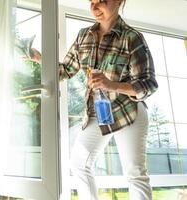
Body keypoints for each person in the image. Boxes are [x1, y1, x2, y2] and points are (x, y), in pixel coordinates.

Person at [59, 0, 158, 199]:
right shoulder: (83, 36)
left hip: (128, 111)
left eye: (101, 1)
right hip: (100, 112)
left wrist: (111, 84)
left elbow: (148, 85)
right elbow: (65, 70)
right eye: (91, 1)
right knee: (79, 163)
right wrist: (40, 59)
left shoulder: (132, 37)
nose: (95, 7)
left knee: (135, 173)